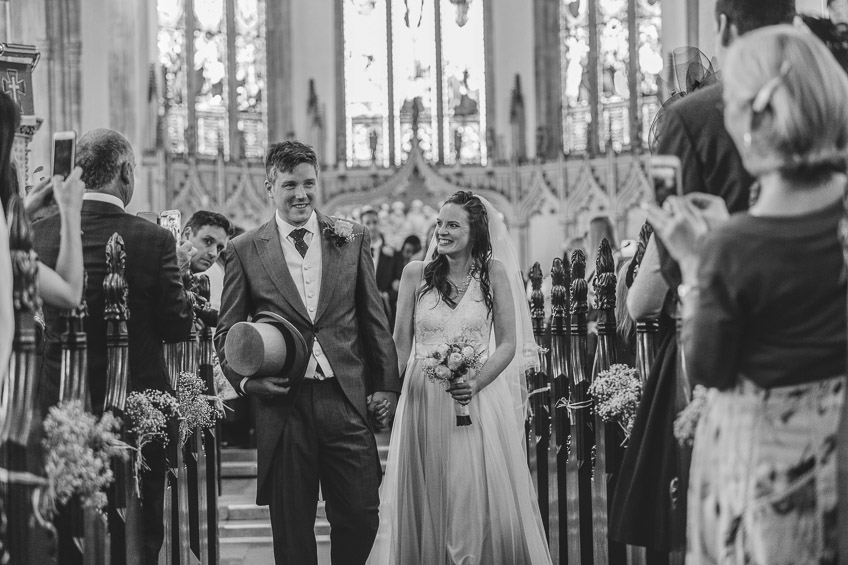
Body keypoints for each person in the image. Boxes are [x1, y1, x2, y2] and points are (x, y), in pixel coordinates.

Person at [646, 26, 848, 563]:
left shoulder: (733, 247)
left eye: (730, 104)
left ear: (757, 120)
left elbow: (708, 366)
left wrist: (694, 262)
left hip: (778, 478)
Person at [215, 140, 401, 565]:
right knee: (292, 528)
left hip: (345, 399)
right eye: (289, 185)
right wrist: (245, 380)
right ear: (269, 187)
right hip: (284, 405)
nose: (301, 194)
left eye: (308, 183)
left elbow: (374, 317)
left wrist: (387, 386)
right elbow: (226, 332)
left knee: (360, 515)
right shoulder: (244, 249)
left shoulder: (352, 237)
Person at [31, 128, 195, 565]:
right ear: (126, 172)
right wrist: (176, 272)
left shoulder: (38, 234)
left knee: (67, 534)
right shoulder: (153, 239)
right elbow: (178, 326)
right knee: (137, 535)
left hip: (59, 408)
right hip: (136, 410)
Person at [367, 191, 552, 564]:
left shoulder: (494, 273)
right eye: (440, 224)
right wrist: (385, 391)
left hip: (476, 397)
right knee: (429, 492)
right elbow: (400, 344)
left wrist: (477, 382)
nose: (443, 232)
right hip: (423, 397)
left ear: (476, 231)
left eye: (453, 225)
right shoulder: (414, 274)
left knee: (470, 494)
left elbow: (508, 344)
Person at [654, 0, 795, 287]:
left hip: (731, 307)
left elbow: (671, 257)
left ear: (724, 27)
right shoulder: (826, 99)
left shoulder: (686, 118)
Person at [361, 205, 404, 323]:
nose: (372, 226)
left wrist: (385, 296)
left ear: (379, 223)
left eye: (375, 222)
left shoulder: (394, 253)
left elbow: (401, 285)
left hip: (386, 313)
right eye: (367, 223)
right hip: (362, 314)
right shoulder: (356, 252)